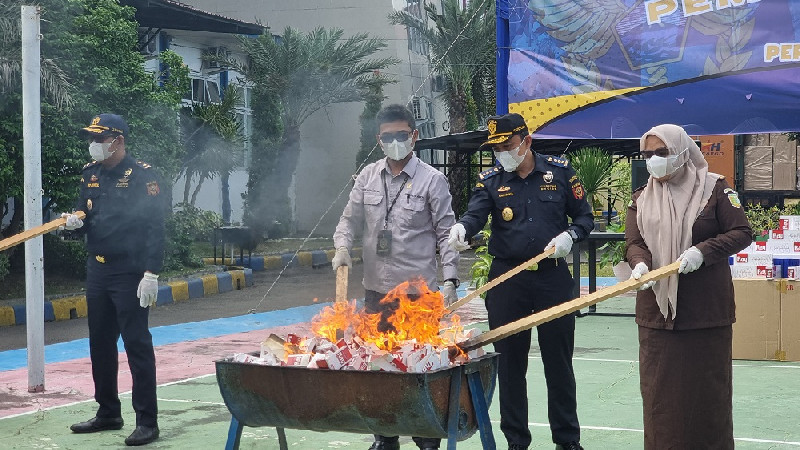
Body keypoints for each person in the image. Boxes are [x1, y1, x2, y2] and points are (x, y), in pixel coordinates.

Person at [448, 113, 593, 450]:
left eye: (507, 145)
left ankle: (567, 440)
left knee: (559, 363)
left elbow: (584, 215)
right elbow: (475, 214)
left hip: (552, 279)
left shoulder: (560, 172)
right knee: (511, 366)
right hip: (507, 281)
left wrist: (571, 235)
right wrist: (462, 229)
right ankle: (516, 441)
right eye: (496, 148)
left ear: (526, 141)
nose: (502, 153)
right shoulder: (491, 180)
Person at [332, 104, 459, 450]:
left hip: (419, 299)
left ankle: (426, 439)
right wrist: (342, 247)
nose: (395, 142)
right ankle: (384, 439)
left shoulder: (433, 181)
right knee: (378, 371)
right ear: (379, 140)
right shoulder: (367, 177)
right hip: (376, 295)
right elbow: (348, 220)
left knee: (420, 373)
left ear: (414, 136)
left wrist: (450, 280)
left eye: (401, 135)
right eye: (388, 137)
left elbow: (447, 233)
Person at [624, 124, 752, 449]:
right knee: (660, 402)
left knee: (707, 399)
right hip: (658, 318)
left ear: (682, 152)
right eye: (648, 154)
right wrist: (639, 263)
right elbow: (634, 242)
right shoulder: (641, 197)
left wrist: (703, 252)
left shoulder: (716, 189)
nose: (654, 160)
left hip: (705, 315)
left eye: (661, 153)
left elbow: (742, 232)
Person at [61, 114, 165, 446]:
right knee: (100, 343)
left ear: (116, 141)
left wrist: (151, 272)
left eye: (98, 138)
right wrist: (74, 226)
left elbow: (155, 227)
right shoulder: (90, 174)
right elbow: (85, 216)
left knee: (136, 344)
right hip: (99, 269)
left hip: (130, 271)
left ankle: (147, 422)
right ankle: (108, 412)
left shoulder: (142, 176)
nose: (93, 145)